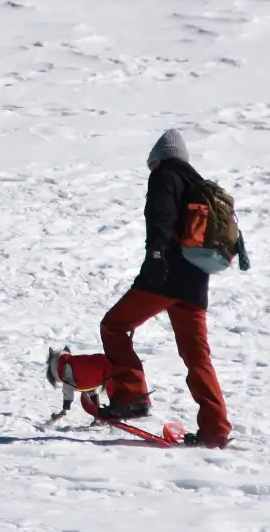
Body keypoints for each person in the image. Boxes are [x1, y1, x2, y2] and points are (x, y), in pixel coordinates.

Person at [96, 129, 232, 448]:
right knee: (197, 357)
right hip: (196, 284)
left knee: (114, 326)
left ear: (159, 158)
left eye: (151, 164)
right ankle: (215, 429)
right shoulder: (197, 185)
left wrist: (156, 256)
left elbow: (161, 218)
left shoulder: (165, 176)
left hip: (165, 277)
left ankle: (131, 396)